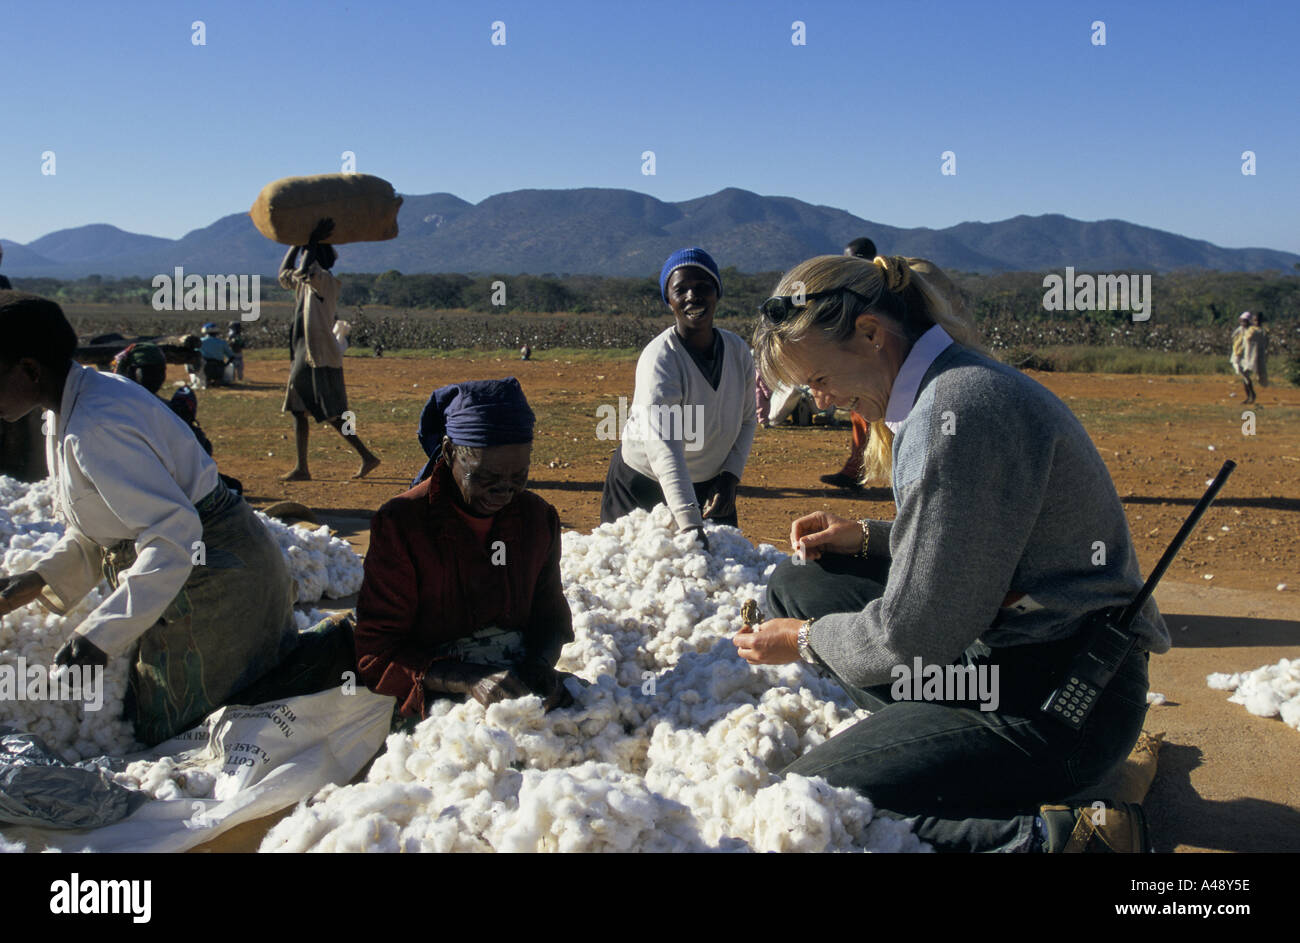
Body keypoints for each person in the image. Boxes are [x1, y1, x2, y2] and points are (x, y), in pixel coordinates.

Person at [735, 255, 1167, 853]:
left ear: (869, 333)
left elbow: (914, 635)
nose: (823, 399)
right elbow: (982, 537)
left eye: (819, 380)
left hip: (1058, 705)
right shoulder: (953, 384)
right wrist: (864, 537)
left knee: (806, 806)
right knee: (800, 581)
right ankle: (928, 745)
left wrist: (806, 640)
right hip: (1016, 656)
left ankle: (1056, 839)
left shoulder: (954, 413)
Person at [0, 291, 295, 746]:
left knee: (183, 737)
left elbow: (173, 536)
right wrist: (36, 579)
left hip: (215, 581)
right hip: (189, 570)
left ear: (30, 370)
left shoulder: (95, 426)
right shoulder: (66, 411)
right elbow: (100, 529)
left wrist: (101, 634)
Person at [354, 378, 574, 721]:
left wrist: (539, 665)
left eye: (519, 475)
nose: (504, 490)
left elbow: (551, 619)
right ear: (448, 453)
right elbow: (377, 653)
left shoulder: (537, 519)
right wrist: (470, 679)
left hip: (515, 683)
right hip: (432, 697)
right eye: (485, 477)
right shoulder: (402, 524)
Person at [599, 248, 756, 550]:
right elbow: (663, 447)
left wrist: (730, 477)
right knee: (634, 575)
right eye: (680, 289)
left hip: (708, 483)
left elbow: (748, 419)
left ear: (717, 294)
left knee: (719, 579)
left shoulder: (737, 352)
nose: (692, 296)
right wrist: (690, 522)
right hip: (644, 483)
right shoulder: (661, 358)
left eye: (703, 288)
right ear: (668, 300)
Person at [279, 218, 380, 481]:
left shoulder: (324, 281)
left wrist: (310, 242)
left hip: (319, 355)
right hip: (304, 353)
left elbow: (301, 270)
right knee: (298, 410)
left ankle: (366, 455)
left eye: (306, 255)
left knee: (333, 411)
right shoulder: (305, 284)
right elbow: (284, 273)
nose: (303, 258)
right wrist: (298, 242)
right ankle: (302, 467)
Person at [821, 237, 879, 490]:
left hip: (875, 363)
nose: (847, 263)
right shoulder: (857, 287)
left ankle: (858, 471)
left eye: (852, 258)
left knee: (877, 419)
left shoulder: (874, 287)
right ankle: (855, 470)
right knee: (861, 417)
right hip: (861, 363)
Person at [1230, 311, 1268, 404]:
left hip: (1250, 356)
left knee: (1246, 376)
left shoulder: (1257, 331)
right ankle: (1250, 396)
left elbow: (1261, 344)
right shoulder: (1245, 330)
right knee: (1245, 376)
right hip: (1241, 355)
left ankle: (1251, 396)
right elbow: (1237, 340)